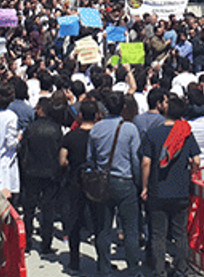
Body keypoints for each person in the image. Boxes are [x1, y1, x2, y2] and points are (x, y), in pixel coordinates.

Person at [140, 95, 200, 277]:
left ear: (165, 110)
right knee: (180, 232)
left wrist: (144, 187)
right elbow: (196, 160)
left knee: (158, 233)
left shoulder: (153, 134)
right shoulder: (186, 133)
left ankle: (159, 270)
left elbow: (145, 163)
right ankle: (181, 268)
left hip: (158, 190)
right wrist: (190, 172)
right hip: (180, 190)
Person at [87, 90, 143, 277]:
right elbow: (136, 161)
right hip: (125, 181)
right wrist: (139, 182)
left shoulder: (96, 129)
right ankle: (134, 269)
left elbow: (91, 158)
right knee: (130, 229)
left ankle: (104, 269)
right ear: (124, 107)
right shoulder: (130, 129)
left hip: (103, 181)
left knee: (103, 229)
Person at [19, 96, 64, 254]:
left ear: (41, 111)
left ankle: (27, 241)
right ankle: (46, 243)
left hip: (32, 172)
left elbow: (23, 150)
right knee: (48, 209)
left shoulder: (30, 128)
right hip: (50, 173)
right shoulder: (56, 129)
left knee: (29, 210)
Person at [60, 99, 97, 273]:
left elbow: (62, 161)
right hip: (96, 182)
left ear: (80, 115)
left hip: (75, 180)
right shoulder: (98, 135)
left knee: (74, 221)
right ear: (97, 115)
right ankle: (102, 260)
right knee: (98, 221)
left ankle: (74, 261)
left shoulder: (70, 136)